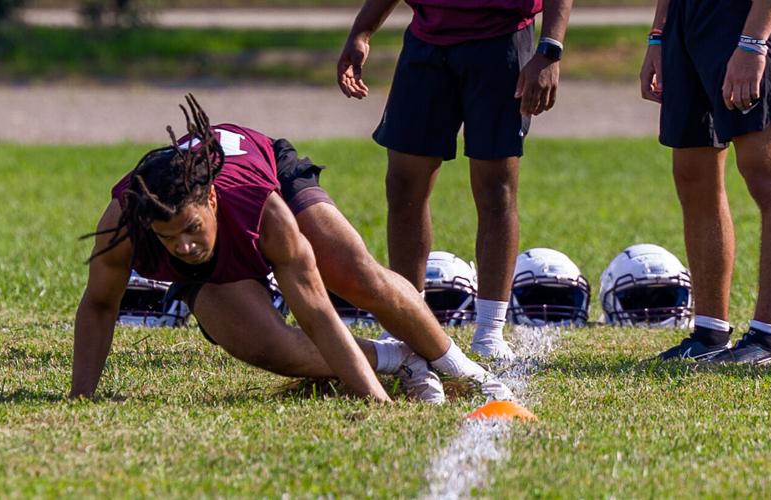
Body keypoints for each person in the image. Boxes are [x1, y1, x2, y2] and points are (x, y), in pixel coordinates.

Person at [70, 95, 512, 403]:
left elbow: (318, 313)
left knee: (354, 272)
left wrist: (375, 405)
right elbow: (99, 306)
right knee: (266, 346)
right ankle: (400, 359)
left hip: (269, 174)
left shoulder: (262, 210)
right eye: (168, 238)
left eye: (190, 229)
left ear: (211, 201)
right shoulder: (126, 224)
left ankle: (462, 368)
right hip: (221, 216)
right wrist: (80, 398)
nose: (183, 246)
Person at [337, 0, 573, 360]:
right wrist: (362, 31)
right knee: (403, 186)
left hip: (501, 39)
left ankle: (490, 331)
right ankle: (406, 325)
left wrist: (550, 49)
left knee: (496, 188)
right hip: (427, 41)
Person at [640, 0, 771, 363]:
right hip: (686, 19)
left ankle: (766, 338)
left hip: (744, 17)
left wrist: (754, 42)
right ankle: (710, 332)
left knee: (767, 176)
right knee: (693, 176)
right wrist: (659, 35)